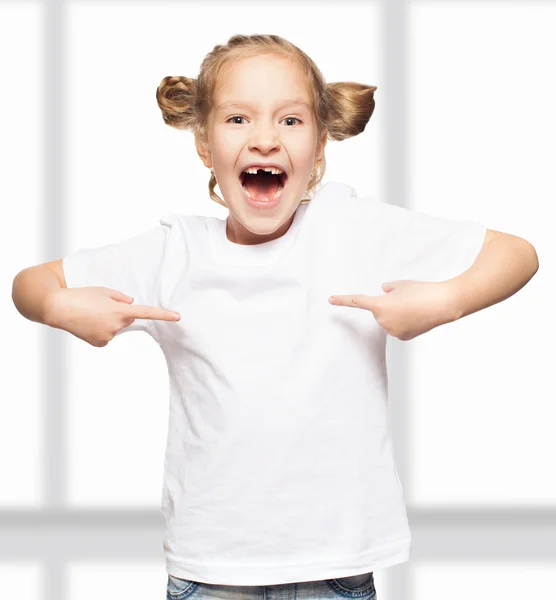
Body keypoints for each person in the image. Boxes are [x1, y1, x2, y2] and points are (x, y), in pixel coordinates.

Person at [12, 33, 538, 600]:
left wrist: (444, 301)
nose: (265, 139)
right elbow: (31, 284)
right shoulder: (175, 250)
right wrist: (61, 304)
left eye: (290, 122)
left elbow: (516, 255)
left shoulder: (350, 227)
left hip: (335, 567)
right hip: (210, 573)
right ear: (205, 145)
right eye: (238, 119)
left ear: (319, 144)